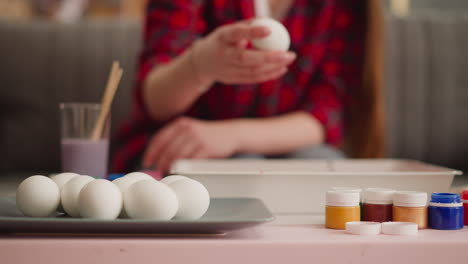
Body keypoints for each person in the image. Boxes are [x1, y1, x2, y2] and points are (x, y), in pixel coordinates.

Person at [112, 0, 385, 173]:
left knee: (321, 164)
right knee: (242, 170)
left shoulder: (343, 6)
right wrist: (199, 66)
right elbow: (154, 100)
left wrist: (233, 135)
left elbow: (328, 113)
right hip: (182, 142)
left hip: (287, 144)